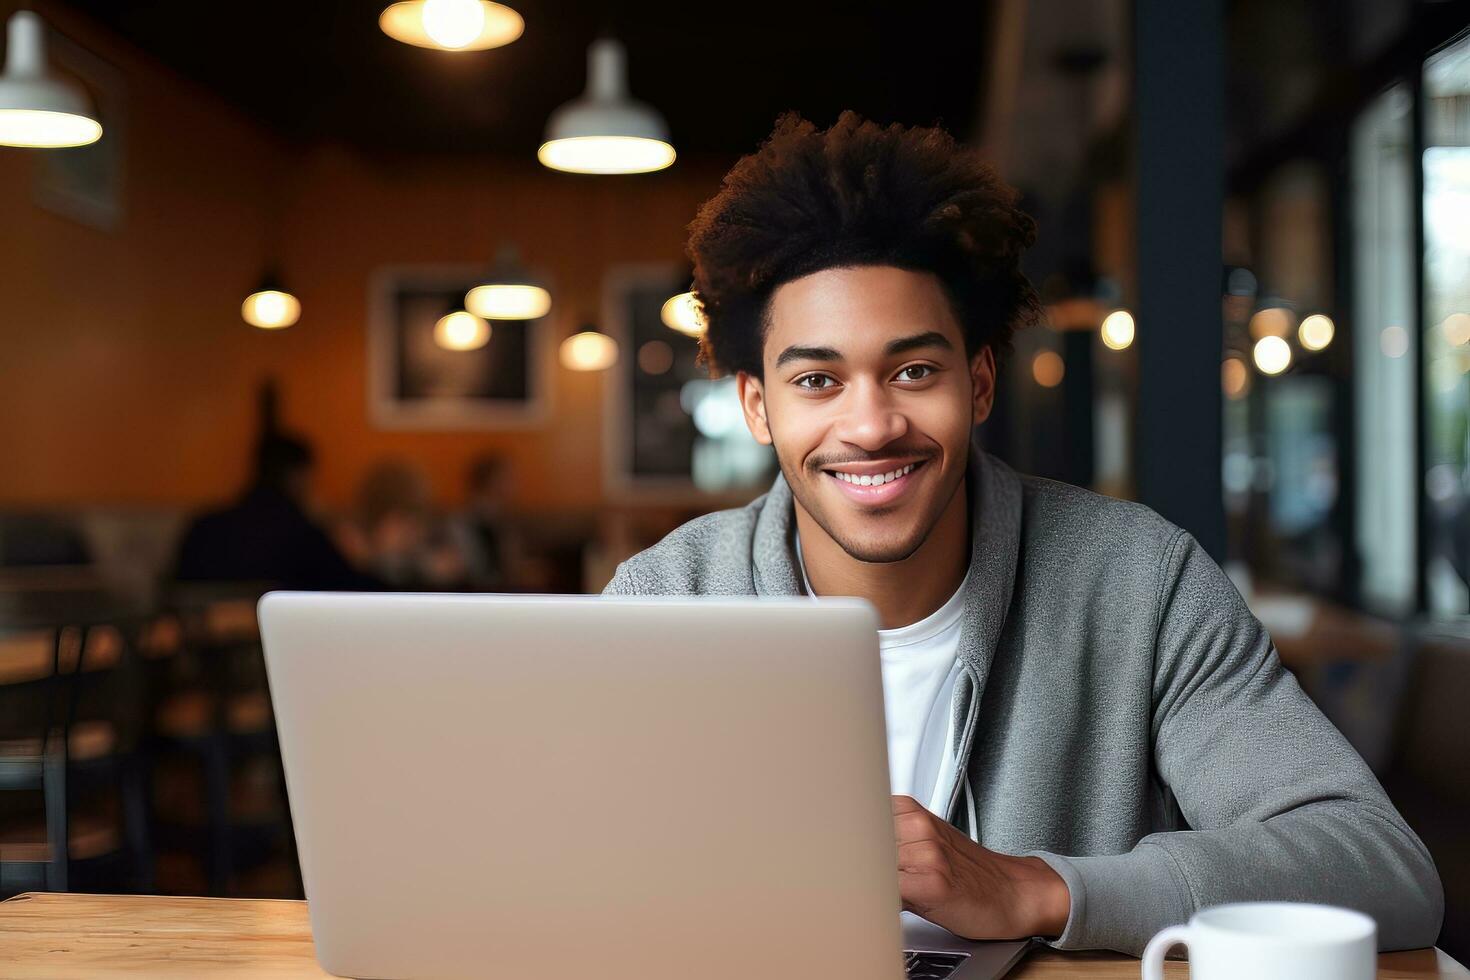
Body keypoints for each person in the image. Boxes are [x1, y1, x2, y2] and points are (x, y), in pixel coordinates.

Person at [603, 112, 1443, 955]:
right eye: (818, 380)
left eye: (914, 371)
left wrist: (1037, 888)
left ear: (978, 385)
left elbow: (1377, 863)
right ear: (758, 406)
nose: (871, 424)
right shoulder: (664, 602)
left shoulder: (1140, 584)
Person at [174, 432, 375, 591]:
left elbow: (174, 590)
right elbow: (351, 592)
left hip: (199, 639)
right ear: (298, 477)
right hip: (274, 639)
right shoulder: (302, 534)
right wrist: (363, 557)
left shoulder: (204, 526)